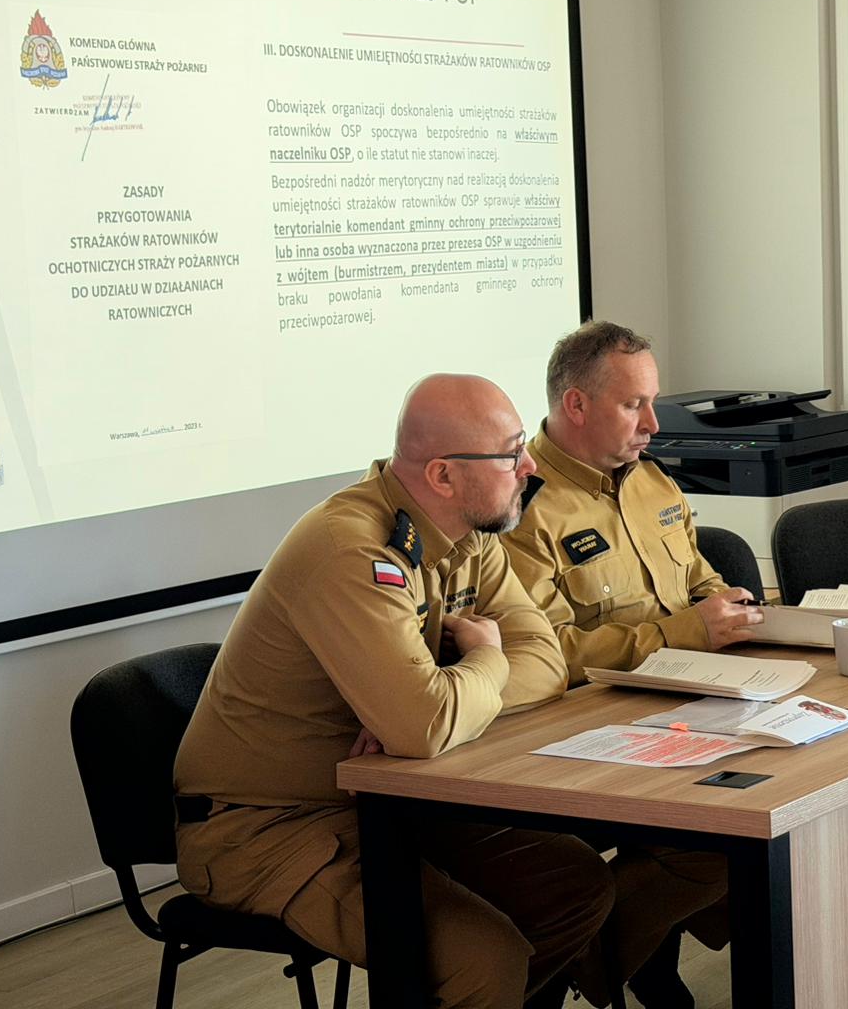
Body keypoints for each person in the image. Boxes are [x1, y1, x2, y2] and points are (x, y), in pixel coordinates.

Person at [173, 374, 611, 1009]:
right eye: (511, 452)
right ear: (443, 475)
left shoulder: (469, 534)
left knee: (573, 884)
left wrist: (447, 701)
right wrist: (483, 661)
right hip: (270, 827)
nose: (530, 466)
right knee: (484, 959)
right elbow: (423, 725)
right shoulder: (351, 551)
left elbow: (546, 662)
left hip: (398, 799)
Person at [503, 321, 756, 1009]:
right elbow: (545, 652)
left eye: (652, 402)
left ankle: (625, 952)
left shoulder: (651, 481)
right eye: (632, 405)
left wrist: (730, 606)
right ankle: (595, 956)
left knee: (777, 805)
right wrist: (684, 631)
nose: (652, 423)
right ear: (576, 405)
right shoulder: (523, 506)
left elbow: (698, 578)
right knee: (726, 836)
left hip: (686, 707)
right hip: (578, 737)